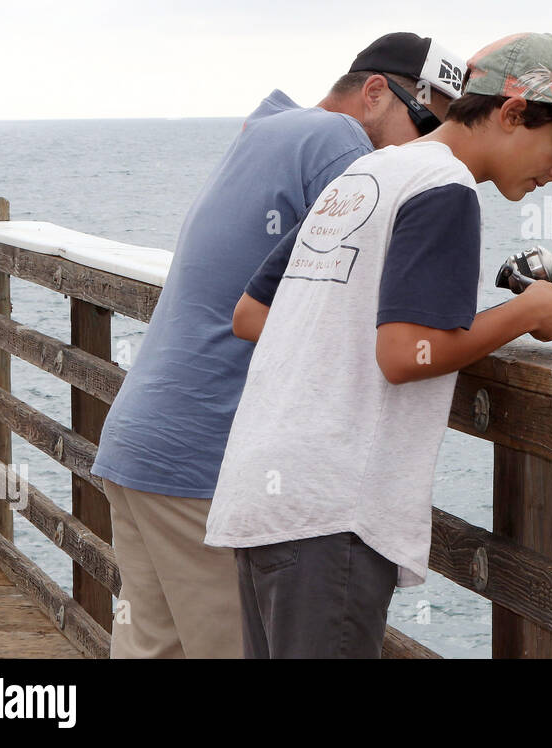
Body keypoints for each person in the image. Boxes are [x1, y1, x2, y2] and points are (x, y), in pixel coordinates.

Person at [204, 32, 552, 658]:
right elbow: (407, 354)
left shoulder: (365, 173)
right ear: (513, 112)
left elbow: (252, 312)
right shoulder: (446, 188)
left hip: (264, 496)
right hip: (333, 513)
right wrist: (525, 310)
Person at [91, 32, 468, 658]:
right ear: (376, 92)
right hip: (202, 461)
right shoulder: (339, 144)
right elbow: (363, 313)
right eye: (426, 121)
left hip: (139, 443)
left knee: (151, 650)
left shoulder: (270, 129)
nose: (431, 148)